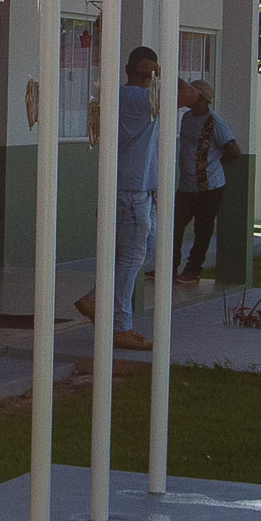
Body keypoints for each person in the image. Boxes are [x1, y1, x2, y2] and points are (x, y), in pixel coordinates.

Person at [74, 45, 166, 346]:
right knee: (130, 257)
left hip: (132, 188)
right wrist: (163, 75)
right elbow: (190, 94)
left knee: (141, 251)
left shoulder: (122, 97)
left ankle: (96, 299)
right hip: (131, 191)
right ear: (149, 71)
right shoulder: (139, 99)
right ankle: (120, 326)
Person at [176, 76, 241, 284]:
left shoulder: (214, 123)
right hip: (186, 186)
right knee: (174, 225)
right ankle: (169, 266)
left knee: (202, 230)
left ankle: (193, 270)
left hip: (209, 187)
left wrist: (214, 163)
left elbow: (234, 150)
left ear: (202, 99)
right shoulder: (186, 118)